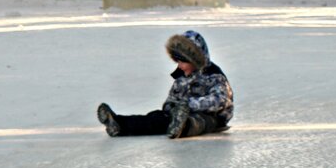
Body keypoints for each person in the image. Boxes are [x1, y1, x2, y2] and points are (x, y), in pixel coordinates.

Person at [96, 30, 233, 139]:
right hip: (179, 113)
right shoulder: (181, 76)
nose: (179, 66)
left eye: (183, 62)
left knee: (199, 121)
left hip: (212, 118)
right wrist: (170, 107)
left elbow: (220, 100)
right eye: (177, 61)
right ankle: (119, 124)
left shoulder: (214, 75)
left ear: (194, 60)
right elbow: (173, 97)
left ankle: (182, 127)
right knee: (156, 118)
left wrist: (189, 104)